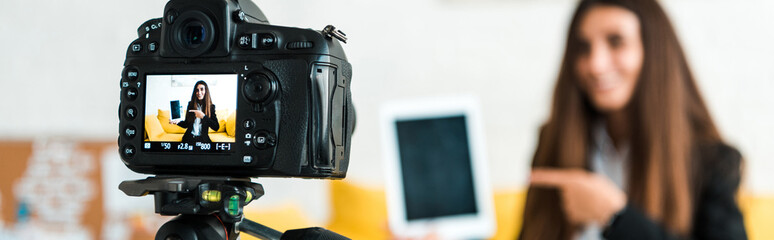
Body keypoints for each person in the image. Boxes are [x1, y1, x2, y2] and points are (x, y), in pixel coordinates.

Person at [520, 0, 746, 239]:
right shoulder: (554, 141)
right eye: (583, 47)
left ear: (654, 52)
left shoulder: (711, 160)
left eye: (616, 42)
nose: (596, 65)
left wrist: (617, 216)